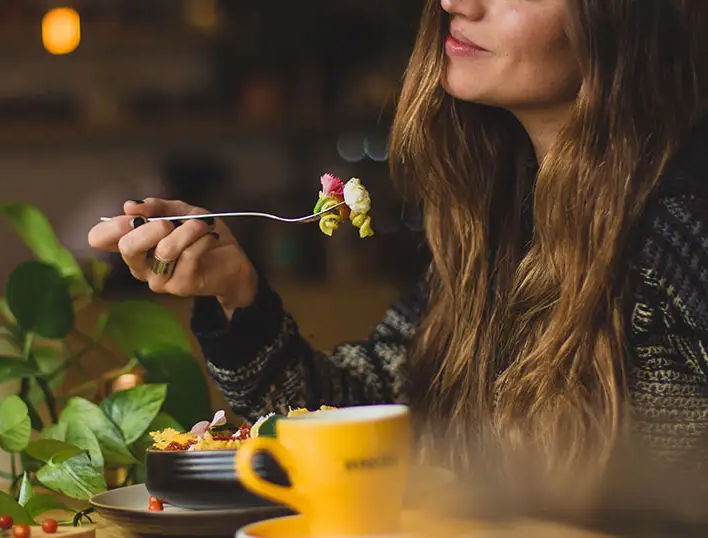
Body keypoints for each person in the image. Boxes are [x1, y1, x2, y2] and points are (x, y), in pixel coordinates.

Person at [88, 0, 708, 503]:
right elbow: (365, 418)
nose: (455, 3)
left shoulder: (682, 225)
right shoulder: (501, 223)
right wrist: (236, 292)